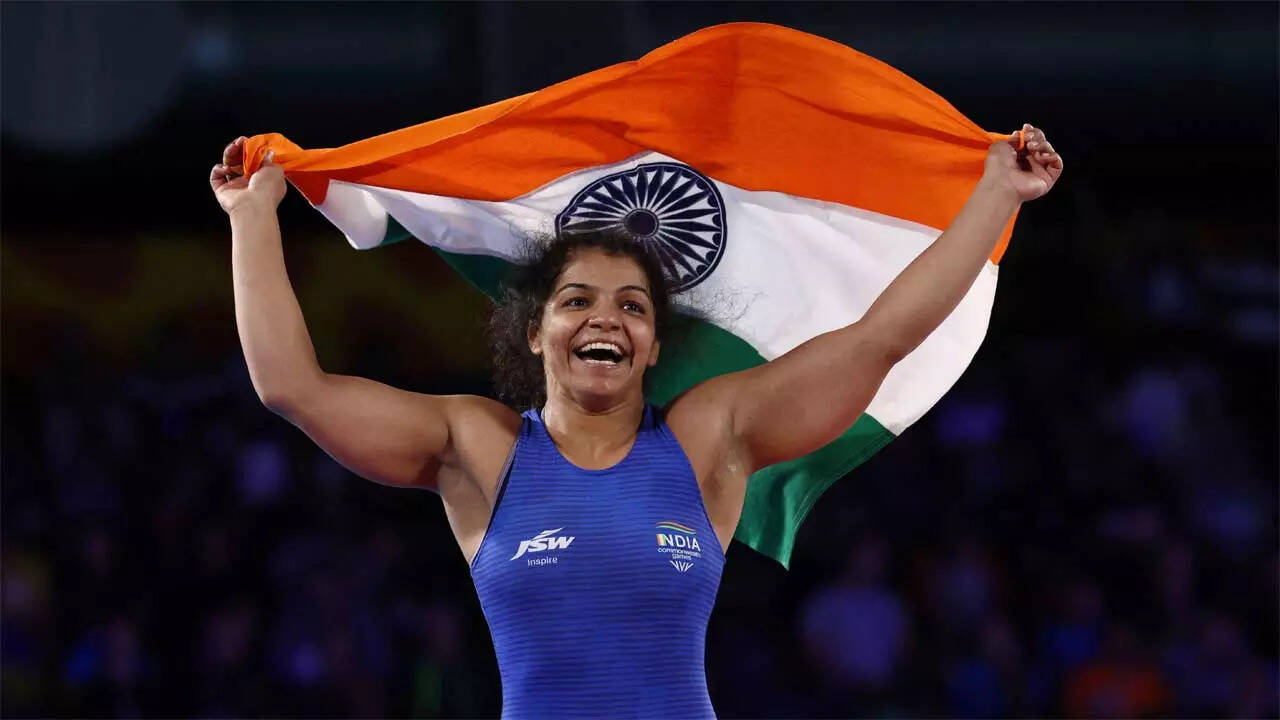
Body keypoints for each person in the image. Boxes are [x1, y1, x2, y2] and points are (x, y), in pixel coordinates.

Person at [209, 125, 1062, 718]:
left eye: (632, 307)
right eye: (576, 300)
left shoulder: (708, 438)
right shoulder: (478, 447)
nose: (606, 320)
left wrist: (999, 194)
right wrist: (252, 217)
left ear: (654, 345)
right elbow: (293, 387)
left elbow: (881, 338)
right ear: (535, 330)